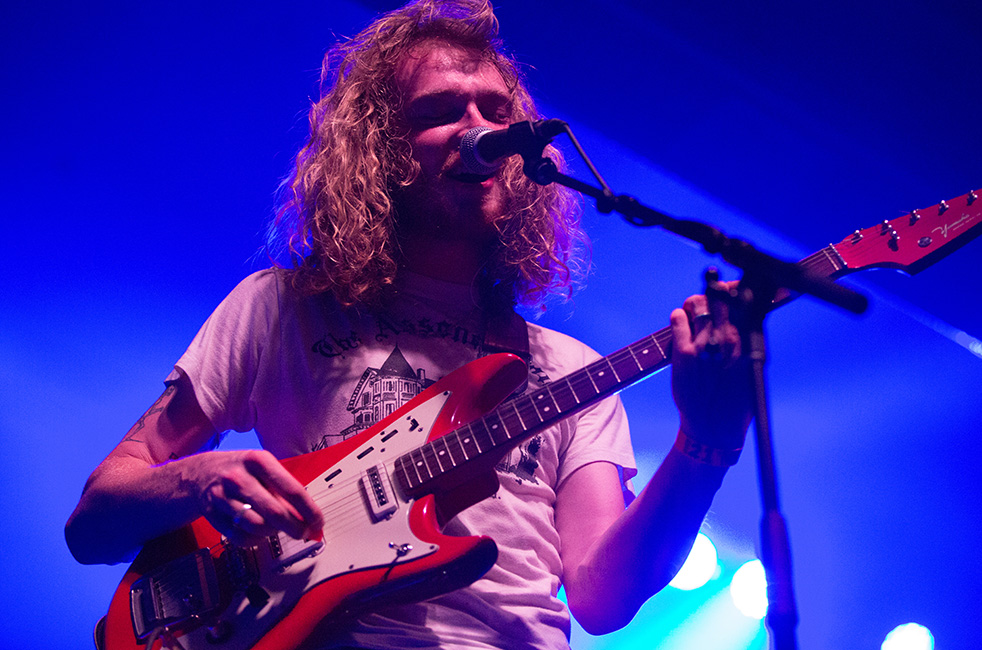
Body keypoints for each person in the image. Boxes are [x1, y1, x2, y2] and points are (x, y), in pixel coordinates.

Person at [65, 1, 752, 648]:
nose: (481, 130)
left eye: (496, 110)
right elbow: (93, 521)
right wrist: (201, 480)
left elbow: (603, 597)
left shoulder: (568, 368)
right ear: (381, 152)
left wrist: (705, 444)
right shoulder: (282, 306)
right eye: (444, 111)